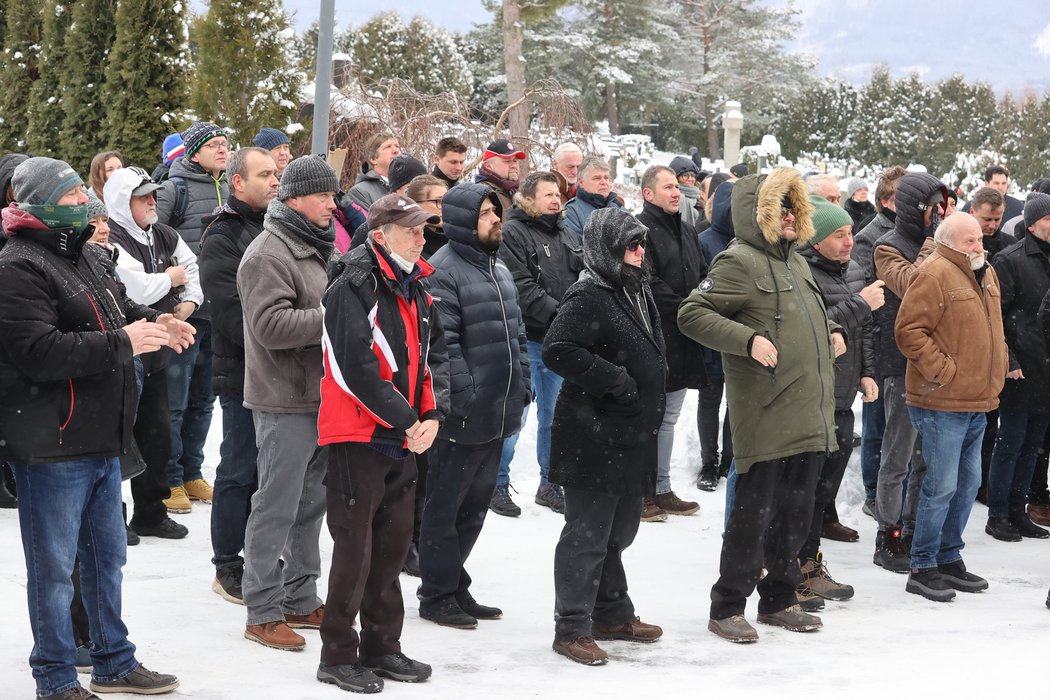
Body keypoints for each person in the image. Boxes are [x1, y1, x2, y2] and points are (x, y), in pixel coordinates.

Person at [0, 156, 192, 698]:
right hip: (51, 443)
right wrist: (127, 341)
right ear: (34, 203)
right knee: (54, 568)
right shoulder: (17, 265)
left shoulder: (86, 253)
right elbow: (37, 352)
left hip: (104, 437)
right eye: (67, 195)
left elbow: (121, 311)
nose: (81, 201)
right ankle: (56, 676)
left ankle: (112, 659)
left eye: (80, 192)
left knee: (106, 559)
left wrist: (159, 323)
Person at [678, 168, 843, 643]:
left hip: (809, 416)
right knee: (752, 520)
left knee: (795, 517)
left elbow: (806, 319)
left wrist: (833, 332)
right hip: (765, 416)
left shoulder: (799, 262)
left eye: (796, 207)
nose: (791, 217)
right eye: (781, 207)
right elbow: (692, 313)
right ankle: (727, 606)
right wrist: (746, 339)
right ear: (760, 213)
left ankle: (779, 600)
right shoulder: (739, 261)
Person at [316, 193, 449, 693]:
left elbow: (423, 360)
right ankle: (337, 654)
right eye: (411, 228)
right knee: (356, 549)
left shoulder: (415, 285)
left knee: (392, 548)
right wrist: (407, 420)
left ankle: (382, 646)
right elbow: (352, 369)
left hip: (401, 432)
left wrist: (430, 412)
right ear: (380, 234)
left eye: (423, 228)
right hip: (360, 434)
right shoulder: (354, 282)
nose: (421, 236)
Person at [545, 207, 665, 665]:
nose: (640, 252)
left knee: (620, 530)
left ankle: (612, 613)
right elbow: (558, 349)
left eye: (641, 243)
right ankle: (572, 627)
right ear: (607, 251)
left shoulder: (632, 288)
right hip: (591, 436)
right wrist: (615, 380)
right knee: (587, 535)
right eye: (630, 245)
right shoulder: (589, 294)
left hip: (627, 434)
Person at [238, 156, 339, 651]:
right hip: (283, 399)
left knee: (310, 505)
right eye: (323, 196)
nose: (332, 205)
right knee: (276, 506)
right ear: (294, 198)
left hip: (319, 397)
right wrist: (332, 317)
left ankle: (301, 598)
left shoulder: (312, 246)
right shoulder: (267, 254)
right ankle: (261, 610)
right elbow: (271, 327)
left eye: (334, 196)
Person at [419, 183, 530, 627]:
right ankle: (436, 594)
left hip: (497, 411)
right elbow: (442, 348)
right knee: (444, 508)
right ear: (465, 221)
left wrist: (520, 384)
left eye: (495, 211)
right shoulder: (443, 270)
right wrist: (464, 398)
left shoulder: (498, 268)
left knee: (473, 507)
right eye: (486, 213)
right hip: (463, 414)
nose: (495, 219)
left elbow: (516, 333)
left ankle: (454, 585)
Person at [895, 213, 1007, 601]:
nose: (979, 246)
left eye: (979, 239)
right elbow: (908, 331)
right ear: (949, 242)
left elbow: (995, 327)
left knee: (967, 484)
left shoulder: (985, 272)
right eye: (970, 241)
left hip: (978, 399)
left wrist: (1001, 360)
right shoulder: (934, 272)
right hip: (941, 400)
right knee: (941, 485)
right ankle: (922, 565)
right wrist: (944, 370)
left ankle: (948, 556)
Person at [197, 146, 280, 603]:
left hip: (285, 371)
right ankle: (227, 563)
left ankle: (264, 555)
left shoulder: (281, 226)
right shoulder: (222, 235)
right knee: (240, 467)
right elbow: (230, 312)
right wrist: (284, 334)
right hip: (244, 370)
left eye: (275, 173)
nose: (274, 181)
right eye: (263, 174)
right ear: (238, 183)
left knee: (275, 473)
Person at [104, 166, 202, 537]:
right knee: (118, 437)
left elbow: (193, 269)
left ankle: (150, 510)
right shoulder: (108, 235)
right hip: (122, 357)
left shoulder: (163, 233)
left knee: (157, 435)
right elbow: (137, 289)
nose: (152, 201)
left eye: (153, 194)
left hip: (158, 354)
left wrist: (188, 301)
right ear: (121, 201)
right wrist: (170, 279)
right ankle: (112, 514)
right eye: (143, 196)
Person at [797, 196, 883, 599]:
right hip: (812, 397)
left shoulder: (855, 270)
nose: (850, 242)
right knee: (802, 492)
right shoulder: (802, 272)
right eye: (840, 235)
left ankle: (811, 565)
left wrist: (866, 371)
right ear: (815, 241)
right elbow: (815, 329)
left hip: (843, 396)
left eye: (851, 233)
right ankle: (790, 571)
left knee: (822, 491)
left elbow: (864, 328)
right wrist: (860, 303)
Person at [871, 172, 948, 572]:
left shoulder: (940, 241)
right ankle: (888, 533)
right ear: (917, 209)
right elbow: (912, 285)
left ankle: (915, 526)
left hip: (934, 361)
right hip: (899, 363)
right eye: (934, 208)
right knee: (897, 455)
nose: (941, 214)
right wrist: (935, 240)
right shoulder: (887, 247)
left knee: (926, 457)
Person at [496, 171, 584, 516]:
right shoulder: (513, 233)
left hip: (560, 341)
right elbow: (518, 285)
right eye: (547, 194)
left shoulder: (567, 232)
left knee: (557, 417)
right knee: (517, 415)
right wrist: (560, 313)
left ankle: (551, 483)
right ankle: (498, 483)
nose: (555, 200)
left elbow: (583, 275)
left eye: (557, 194)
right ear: (527, 199)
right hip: (529, 338)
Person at [156, 121, 231, 515]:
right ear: (194, 152)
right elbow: (155, 238)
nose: (223, 150)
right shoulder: (174, 189)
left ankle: (191, 472)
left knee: (205, 399)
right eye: (214, 145)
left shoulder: (233, 187)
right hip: (185, 311)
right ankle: (168, 478)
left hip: (221, 313)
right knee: (175, 399)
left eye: (225, 144)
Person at [635, 165, 704, 520]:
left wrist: (703, 302)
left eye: (677, 187)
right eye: (667, 188)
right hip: (652, 335)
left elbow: (702, 274)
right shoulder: (638, 230)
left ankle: (661, 488)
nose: (676, 192)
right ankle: (641, 492)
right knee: (649, 417)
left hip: (683, 338)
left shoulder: (688, 231)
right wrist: (690, 307)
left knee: (669, 418)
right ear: (648, 194)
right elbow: (647, 283)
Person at [984, 193, 1050, 541]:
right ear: (1032, 223)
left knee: (1034, 446)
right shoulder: (1010, 259)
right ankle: (998, 514)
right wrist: (1009, 359)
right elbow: (995, 316)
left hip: (1046, 368)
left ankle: (1019, 509)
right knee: (1010, 443)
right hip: (1020, 368)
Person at [851, 165, 906, 516]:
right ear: (887, 200)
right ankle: (874, 492)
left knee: (899, 428)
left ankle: (892, 489)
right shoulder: (870, 236)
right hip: (879, 339)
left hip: (904, 340)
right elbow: (860, 287)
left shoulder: (912, 232)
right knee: (877, 422)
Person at [696, 180, 736, 490]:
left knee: (735, 403)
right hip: (711, 335)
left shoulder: (749, 243)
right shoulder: (704, 241)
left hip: (739, 336)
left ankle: (728, 461)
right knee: (710, 400)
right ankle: (708, 461)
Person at [563, 156, 623, 239]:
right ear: (581, 182)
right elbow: (575, 248)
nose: (604, 182)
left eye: (606, 178)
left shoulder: (618, 207)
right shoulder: (571, 212)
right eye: (597, 178)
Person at [475, 139, 525, 221]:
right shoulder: (483, 193)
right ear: (488, 166)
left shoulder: (518, 191)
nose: (514, 165)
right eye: (507, 161)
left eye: (515, 161)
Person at [348, 132, 400, 209]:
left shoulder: (408, 186)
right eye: (388, 147)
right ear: (373, 159)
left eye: (397, 146)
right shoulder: (360, 192)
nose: (396, 151)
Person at [968, 186, 1015, 258]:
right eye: (987, 219)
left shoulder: (1012, 245)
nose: (992, 226)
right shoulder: (956, 243)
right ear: (972, 212)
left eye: (997, 220)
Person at [669, 155, 704, 229]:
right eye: (685, 175)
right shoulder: (671, 198)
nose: (690, 179)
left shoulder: (700, 197)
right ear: (676, 177)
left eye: (693, 175)